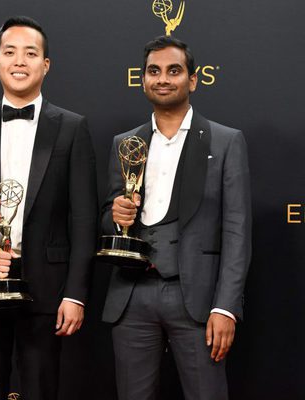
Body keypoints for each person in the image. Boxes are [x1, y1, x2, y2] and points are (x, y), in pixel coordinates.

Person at [0, 16, 97, 400]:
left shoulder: (72, 128)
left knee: (42, 390)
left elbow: (83, 219)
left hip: (48, 291)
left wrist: (75, 294)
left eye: (31, 53)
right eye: (10, 52)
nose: (19, 61)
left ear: (46, 65)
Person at [101, 36, 251, 400]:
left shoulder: (225, 141)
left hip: (197, 300)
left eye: (174, 71)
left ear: (193, 80)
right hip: (132, 296)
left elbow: (237, 230)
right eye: (154, 71)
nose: (163, 79)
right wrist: (115, 216)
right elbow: (108, 219)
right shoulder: (126, 143)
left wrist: (226, 307)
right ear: (143, 79)